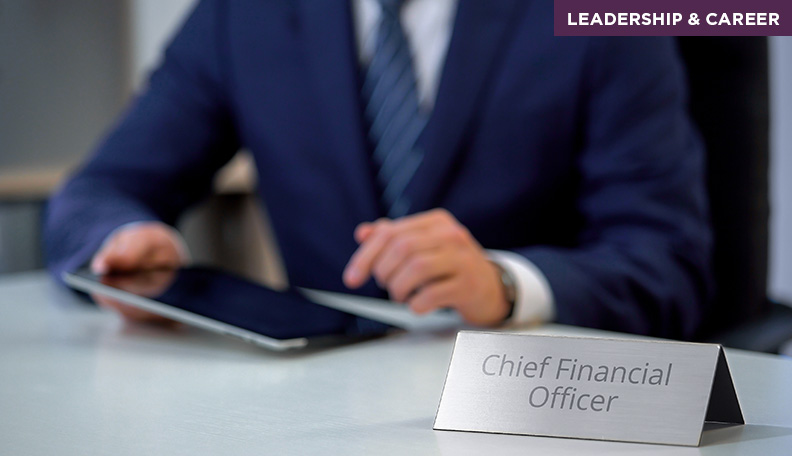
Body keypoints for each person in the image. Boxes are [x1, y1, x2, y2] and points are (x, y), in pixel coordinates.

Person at [44, 0, 712, 338]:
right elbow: (102, 188)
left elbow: (666, 260)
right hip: (319, 412)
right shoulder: (241, 14)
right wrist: (120, 242)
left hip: (531, 409)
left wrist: (507, 285)